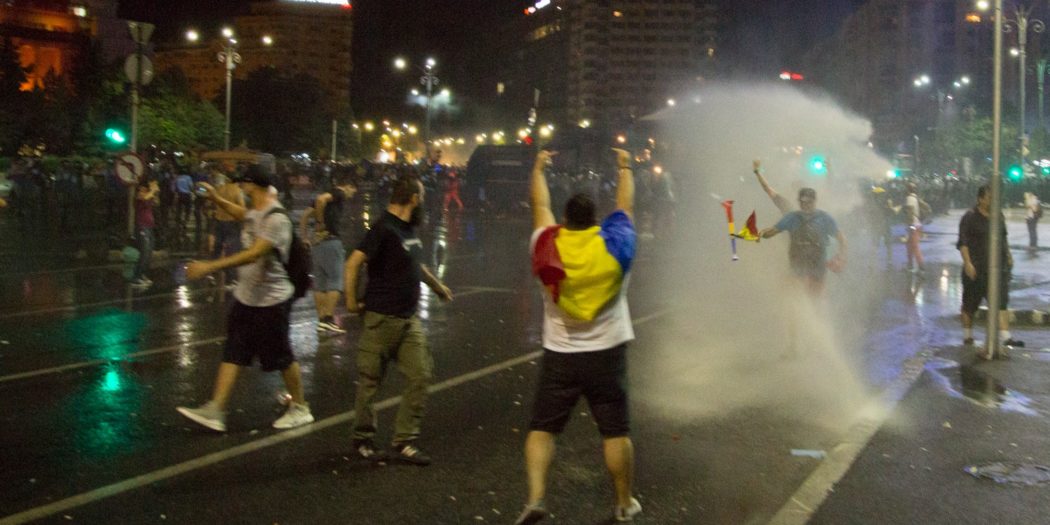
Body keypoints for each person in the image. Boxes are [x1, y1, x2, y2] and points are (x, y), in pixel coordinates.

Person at [514, 148, 641, 525]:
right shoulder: (616, 245)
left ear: (565, 221)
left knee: (542, 429)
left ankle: (536, 498)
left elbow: (540, 206)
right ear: (596, 221)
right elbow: (626, 206)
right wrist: (624, 166)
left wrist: (538, 168)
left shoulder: (546, 245)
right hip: (607, 353)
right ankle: (623, 504)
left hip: (561, 354)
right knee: (615, 433)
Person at [176, 165, 314, 432]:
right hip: (247, 298)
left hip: (272, 301)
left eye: (243, 183)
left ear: (253, 185)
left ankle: (300, 407)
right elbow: (242, 215)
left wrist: (210, 266)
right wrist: (217, 199)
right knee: (234, 351)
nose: (240, 186)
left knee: (281, 356)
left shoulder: (276, 218)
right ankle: (216, 409)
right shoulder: (257, 210)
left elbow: (255, 253)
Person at [343, 175, 453, 465]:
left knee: (421, 374)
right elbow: (353, 263)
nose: (423, 202)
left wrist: (437, 286)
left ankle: (404, 441)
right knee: (370, 382)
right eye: (422, 197)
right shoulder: (383, 228)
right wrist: (351, 302)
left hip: (407, 319)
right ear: (413, 199)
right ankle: (363, 440)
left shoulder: (407, 229)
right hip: (381, 319)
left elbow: (416, 264)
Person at [958, 185, 1024, 355]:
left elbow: (1003, 238)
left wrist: (1008, 255)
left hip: (997, 269)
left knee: (1001, 301)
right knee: (970, 304)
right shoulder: (970, 217)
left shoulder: (998, 216)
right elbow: (963, 243)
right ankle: (967, 335)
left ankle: (1006, 337)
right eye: (989, 198)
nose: (993, 201)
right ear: (980, 199)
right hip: (976, 268)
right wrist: (968, 263)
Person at [759, 187, 847, 297]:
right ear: (799, 202)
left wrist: (841, 257)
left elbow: (842, 239)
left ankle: (813, 306)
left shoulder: (824, 218)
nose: (805, 205)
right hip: (798, 260)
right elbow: (772, 231)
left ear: (814, 201)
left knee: (815, 294)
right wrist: (759, 234)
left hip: (817, 262)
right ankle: (794, 305)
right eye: (803, 202)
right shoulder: (792, 217)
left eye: (808, 202)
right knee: (794, 290)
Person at [300, 172, 357, 333]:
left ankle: (322, 321)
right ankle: (328, 319)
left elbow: (305, 216)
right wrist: (321, 223)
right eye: (353, 191)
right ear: (348, 186)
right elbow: (321, 200)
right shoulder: (339, 193)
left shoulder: (328, 196)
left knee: (320, 284)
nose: (352, 195)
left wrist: (305, 237)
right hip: (331, 241)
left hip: (317, 244)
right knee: (336, 281)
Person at [211, 172, 245, 287]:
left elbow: (211, 204)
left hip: (219, 221)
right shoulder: (237, 191)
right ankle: (231, 279)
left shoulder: (218, 189)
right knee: (232, 250)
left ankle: (212, 272)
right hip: (232, 223)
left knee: (217, 247)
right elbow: (241, 209)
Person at [130, 179, 159, 290]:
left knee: (149, 253)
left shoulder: (148, 197)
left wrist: (155, 193)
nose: (143, 192)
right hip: (142, 227)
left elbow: (156, 202)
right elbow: (145, 197)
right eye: (141, 190)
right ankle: (136, 277)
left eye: (145, 190)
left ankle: (142, 275)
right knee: (144, 252)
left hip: (149, 227)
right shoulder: (139, 198)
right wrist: (152, 190)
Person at [904, 182, 925, 273]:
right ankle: (910, 265)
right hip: (917, 224)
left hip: (913, 225)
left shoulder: (909, 198)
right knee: (909, 246)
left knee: (914, 246)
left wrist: (910, 227)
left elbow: (910, 213)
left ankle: (921, 267)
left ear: (908, 189)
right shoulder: (916, 197)